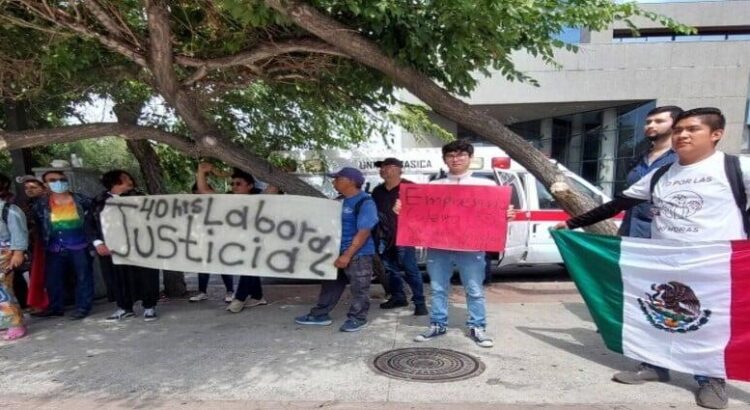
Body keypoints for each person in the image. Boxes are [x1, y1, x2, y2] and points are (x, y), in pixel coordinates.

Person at [554, 107, 741, 410]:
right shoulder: (662, 174)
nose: (682, 135)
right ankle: (654, 366)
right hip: (664, 261)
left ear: (716, 134)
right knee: (656, 315)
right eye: (679, 129)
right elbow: (620, 203)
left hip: (715, 267)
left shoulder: (735, 168)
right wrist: (572, 224)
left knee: (710, 326)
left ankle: (711, 380)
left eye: (692, 129)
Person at [397, 140, 515, 348]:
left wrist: (506, 214)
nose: (456, 159)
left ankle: (477, 326)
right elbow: (417, 216)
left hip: (472, 248)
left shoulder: (487, 187)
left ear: (470, 158)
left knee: (474, 289)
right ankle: (437, 324)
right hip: (439, 247)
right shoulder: (433, 188)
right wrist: (402, 209)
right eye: (451, 155)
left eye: (461, 155)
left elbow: (496, 216)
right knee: (437, 288)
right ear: (445, 160)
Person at [295, 167, 378, 332]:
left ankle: (357, 319)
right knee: (330, 285)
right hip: (336, 252)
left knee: (359, 288)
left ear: (351, 182)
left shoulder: (365, 202)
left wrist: (347, 255)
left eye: (337, 178)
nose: (334, 182)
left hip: (357, 255)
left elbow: (364, 231)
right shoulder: (340, 200)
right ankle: (320, 314)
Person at [93, 170, 160, 322]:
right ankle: (124, 307)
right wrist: (98, 243)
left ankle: (149, 306)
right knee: (117, 277)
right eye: (125, 178)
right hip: (112, 249)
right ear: (114, 182)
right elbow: (90, 224)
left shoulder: (139, 197)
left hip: (140, 246)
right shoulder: (99, 200)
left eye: (129, 177)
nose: (130, 180)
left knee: (145, 275)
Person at [33, 170, 97, 320]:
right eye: (53, 180)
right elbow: (39, 226)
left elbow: (95, 218)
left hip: (80, 246)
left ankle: (83, 307)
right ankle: (55, 308)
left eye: (62, 179)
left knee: (83, 277)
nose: (58, 182)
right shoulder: (40, 204)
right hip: (54, 247)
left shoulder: (82, 200)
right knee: (53, 279)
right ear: (45, 184)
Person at [371, 157, 427, 316]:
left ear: (398, 169)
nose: (382, 169)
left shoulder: (410, 188)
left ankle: (420, 303)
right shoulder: (377, 191)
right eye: (381, 167)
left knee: (411, 269)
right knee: (390, 270)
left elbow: (423, 213)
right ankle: (398, 297)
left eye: (386, 166)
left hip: (405, 237)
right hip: (384, 238)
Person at [618, 106, 683, 238]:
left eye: (659, 121)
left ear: (676, 125)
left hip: (664, 237)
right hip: (631, 232)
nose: (651, 125)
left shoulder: (681, 159)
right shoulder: (637, 159)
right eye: (648, 122)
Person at [189, 162, 236, 303]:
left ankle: (230, 291)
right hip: (204, 240)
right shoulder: (194, 208)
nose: (200, 195)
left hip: (220, 239)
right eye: (196, 194)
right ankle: (202, 292)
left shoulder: (219, 202)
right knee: (203, 266)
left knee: (223, 265)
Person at [15, 175, 48, 313]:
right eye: (27, 188)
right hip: (31, 245)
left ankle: (45, 304)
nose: (29, 190)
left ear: (43, 188)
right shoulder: (25, 204)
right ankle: (38, 303)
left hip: (44, 244)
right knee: (32, 275)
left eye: (33, 187)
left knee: (43, 275)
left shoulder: (47, 203)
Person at [0, 192, 29, 340]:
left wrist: (18, 252)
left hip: (5, 253)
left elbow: (19, 232)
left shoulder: (9, 209)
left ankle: (16, 323)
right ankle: (4, 323)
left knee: (4, 289)